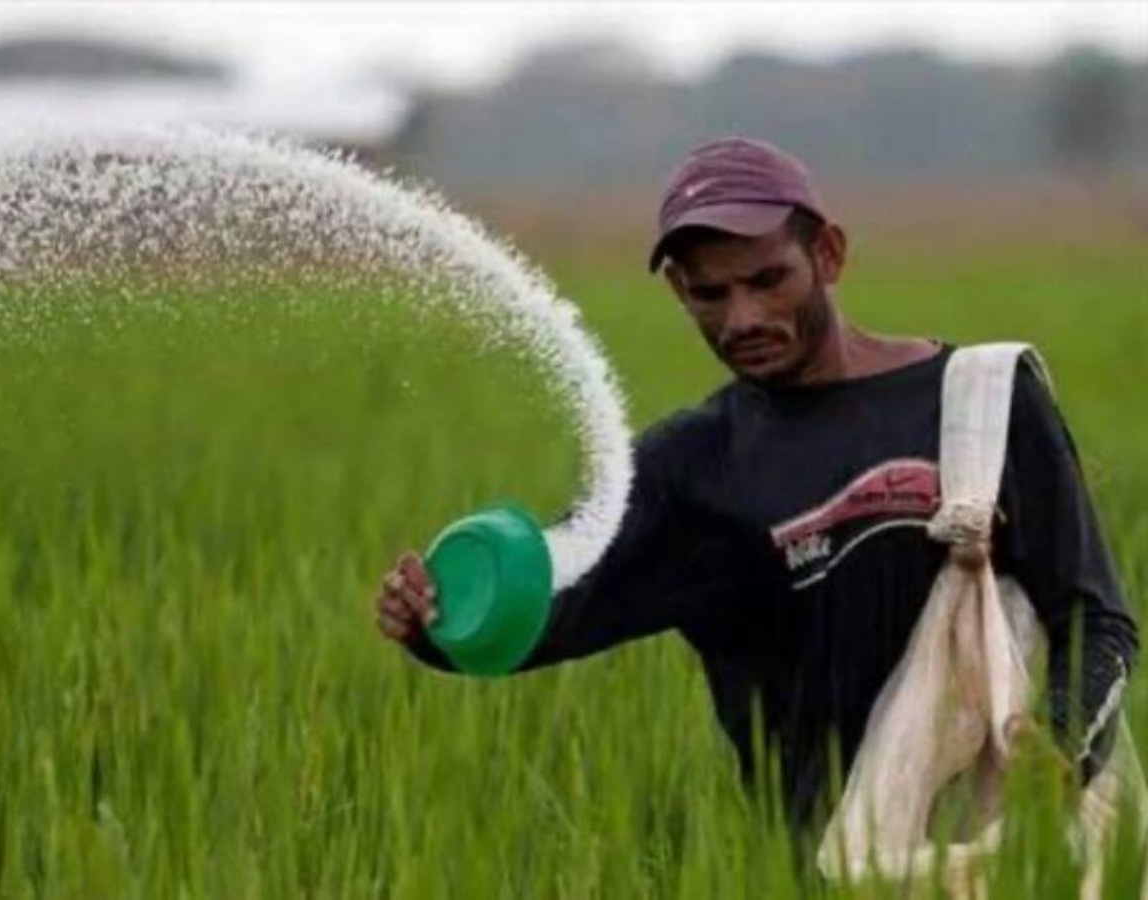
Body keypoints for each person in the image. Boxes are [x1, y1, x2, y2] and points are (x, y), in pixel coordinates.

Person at [372, 136, 1140, 831]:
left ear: (828, 255)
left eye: (768, 280)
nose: (741, 318)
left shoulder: (982, 401)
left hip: (1003, 848)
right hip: (825, 868)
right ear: (678, 290)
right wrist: (433, 620)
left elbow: (1094, 617)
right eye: (710, 294)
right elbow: (547, 609)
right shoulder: (691, 469)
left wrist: (1055, 756)